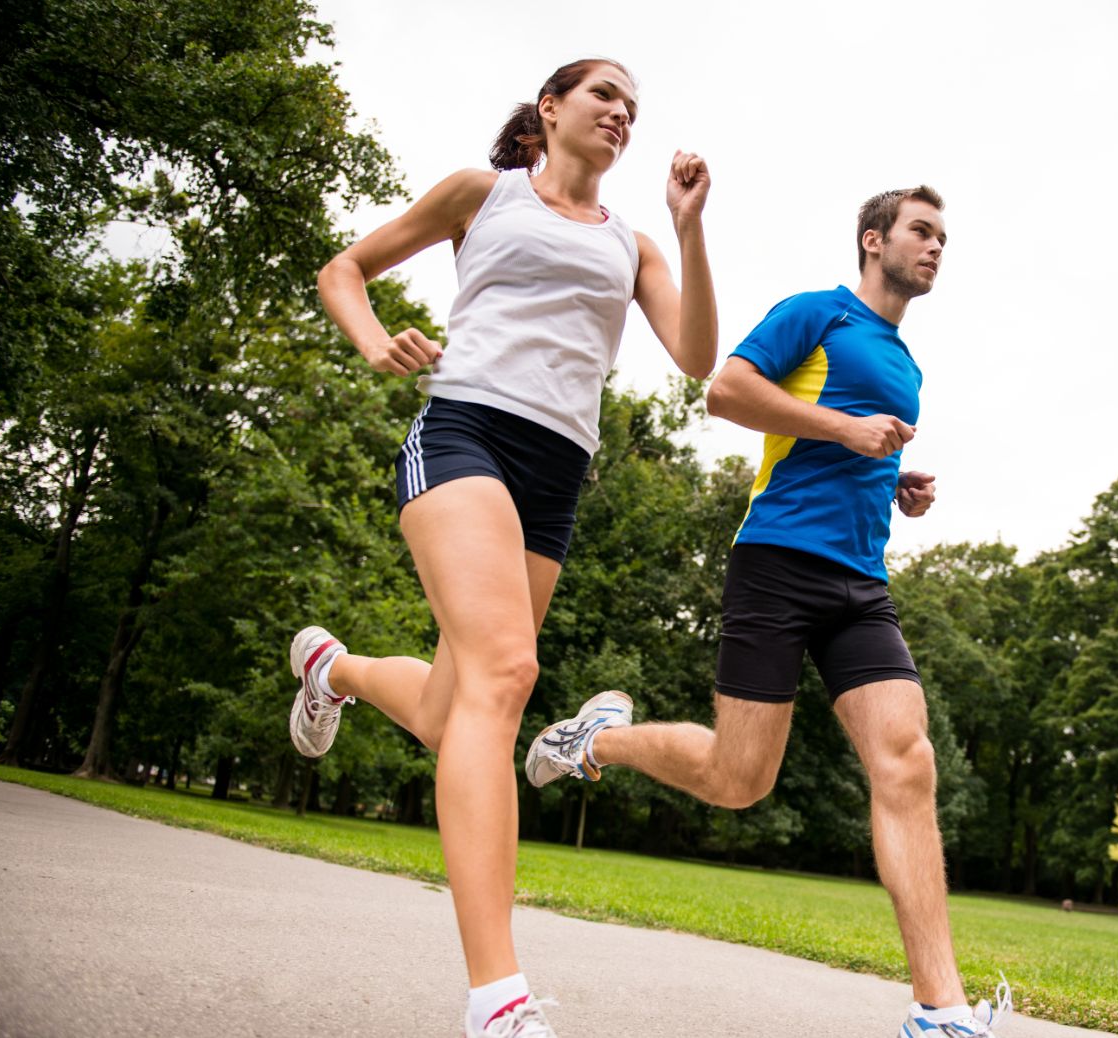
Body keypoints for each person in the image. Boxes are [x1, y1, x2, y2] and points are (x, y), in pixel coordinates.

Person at [287, 58, 717, 1038]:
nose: (621, 112)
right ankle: (498, 1001)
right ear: (553, 108)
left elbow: (695, 357)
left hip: (556, 475)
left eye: (634, 107)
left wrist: (688, 233)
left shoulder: (634, 241)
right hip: (465, 431)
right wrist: (369, 340)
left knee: (454, 713)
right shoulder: (483, 196)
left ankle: (333, 668)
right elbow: (342, 269)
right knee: (507, 673)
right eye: (603, 94)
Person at [526, 186, 1013, 1037]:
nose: (937, 247)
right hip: (778, 565)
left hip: (862, 583)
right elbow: (724, 392)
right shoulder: (814, 313)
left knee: (908, 763)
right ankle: (591, 740)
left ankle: (942, 1012)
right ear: (874, 239)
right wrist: (843, 431)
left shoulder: (907, 362)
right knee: (738, 780)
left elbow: (844, 448)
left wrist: (893, 483)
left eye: (946, 237)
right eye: (922, 231)